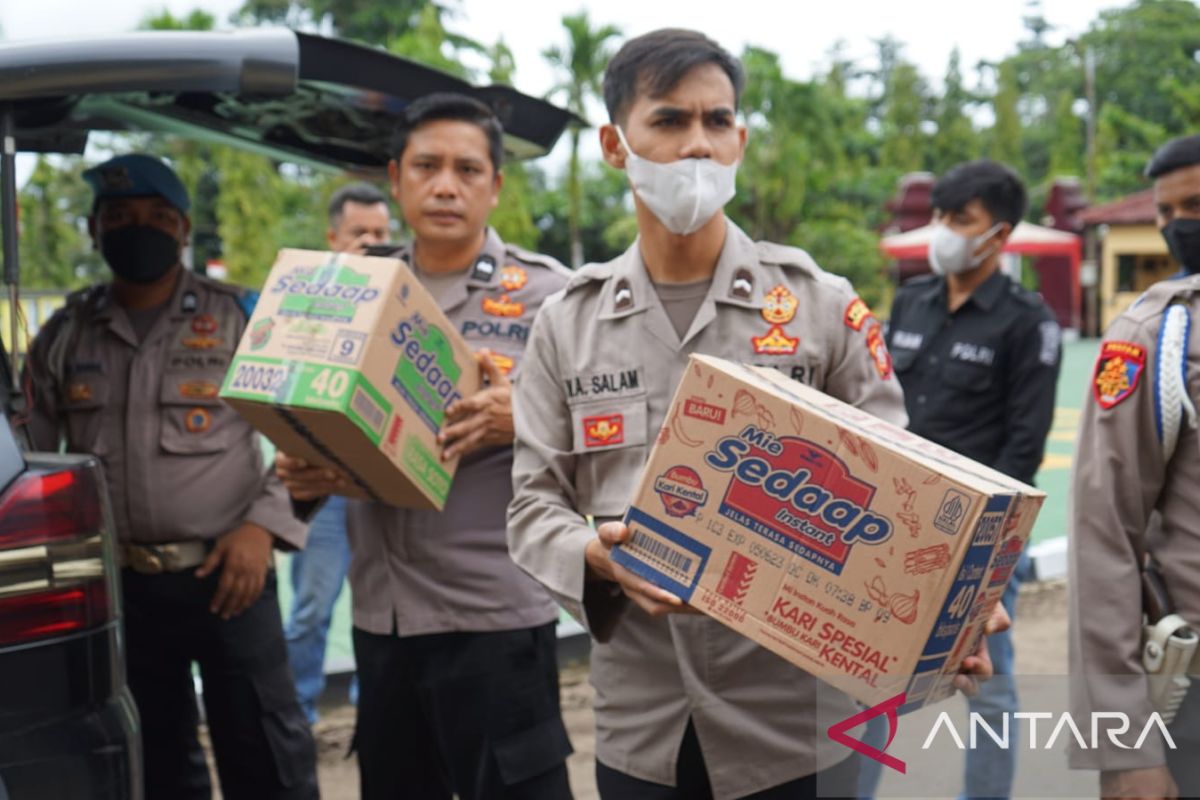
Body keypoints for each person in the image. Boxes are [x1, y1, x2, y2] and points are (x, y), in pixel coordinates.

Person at [506, 30, 1007, 800]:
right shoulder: (566, 323)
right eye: (669, 122)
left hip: (799, 725)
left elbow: (908, 495)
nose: (697, 147)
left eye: (717, 122)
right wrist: (595, 559)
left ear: (740, 138)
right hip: (645, 724)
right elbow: (533, 504)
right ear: (615, 144)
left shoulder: (819, 304)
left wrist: (957, 608)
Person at [275, 93, 575, 800]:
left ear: (495, 185)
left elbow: (610, 435)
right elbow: (301, 416)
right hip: (384, 620)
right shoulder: (351, 291)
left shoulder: (550, 297)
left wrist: (525, 414)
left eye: (468, 169)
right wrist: (303, 470)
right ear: (395, 177)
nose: (447, 185)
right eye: (427, 166)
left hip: (496, 618)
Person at [23, 153, 317, 800]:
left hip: (230, 574)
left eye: (158, 217)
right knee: (152, 759)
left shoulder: (244, 317)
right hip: (118, 589)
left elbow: (311, 437)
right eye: (121, 217)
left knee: (265, 751)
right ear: (94, 230)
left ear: (184, 230)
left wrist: (263, 530)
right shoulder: (67, 333)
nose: (140, 229)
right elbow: (32, 458)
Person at [865, 160, 1060, 800]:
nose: (944, 231)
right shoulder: (912, 299)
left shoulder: (1028, 322)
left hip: (979, 537)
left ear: (999, 235)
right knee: (866, 676)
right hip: (894, 524)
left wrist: (974, 546)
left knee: (990, 686)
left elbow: (1024, 445)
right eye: (940, 217)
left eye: (961, 220)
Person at [1069, 133, 1200, 800]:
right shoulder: (1162, 335)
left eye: (1197, 205)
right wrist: (1122, 745)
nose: (1181, 227)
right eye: (1167, 214)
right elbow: (1102, 537)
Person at [283, 182, 390, 723]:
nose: (370, 243)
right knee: (310, 610)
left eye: (380, 234)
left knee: (383, 610)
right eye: (359, 234)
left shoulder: (405, 306)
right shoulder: (303, 304)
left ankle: (372, 715)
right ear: (332, 238)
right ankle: (296, 715)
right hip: (324, 488)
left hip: (383, 489)